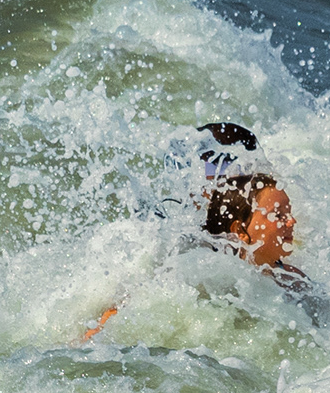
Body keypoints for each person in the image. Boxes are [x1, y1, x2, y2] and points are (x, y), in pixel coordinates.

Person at [79, 121, 305, 343]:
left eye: (239, 173)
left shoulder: (272, 251)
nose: (219, 185)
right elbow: (128, 304)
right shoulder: (173, 243)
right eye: (212, 170)